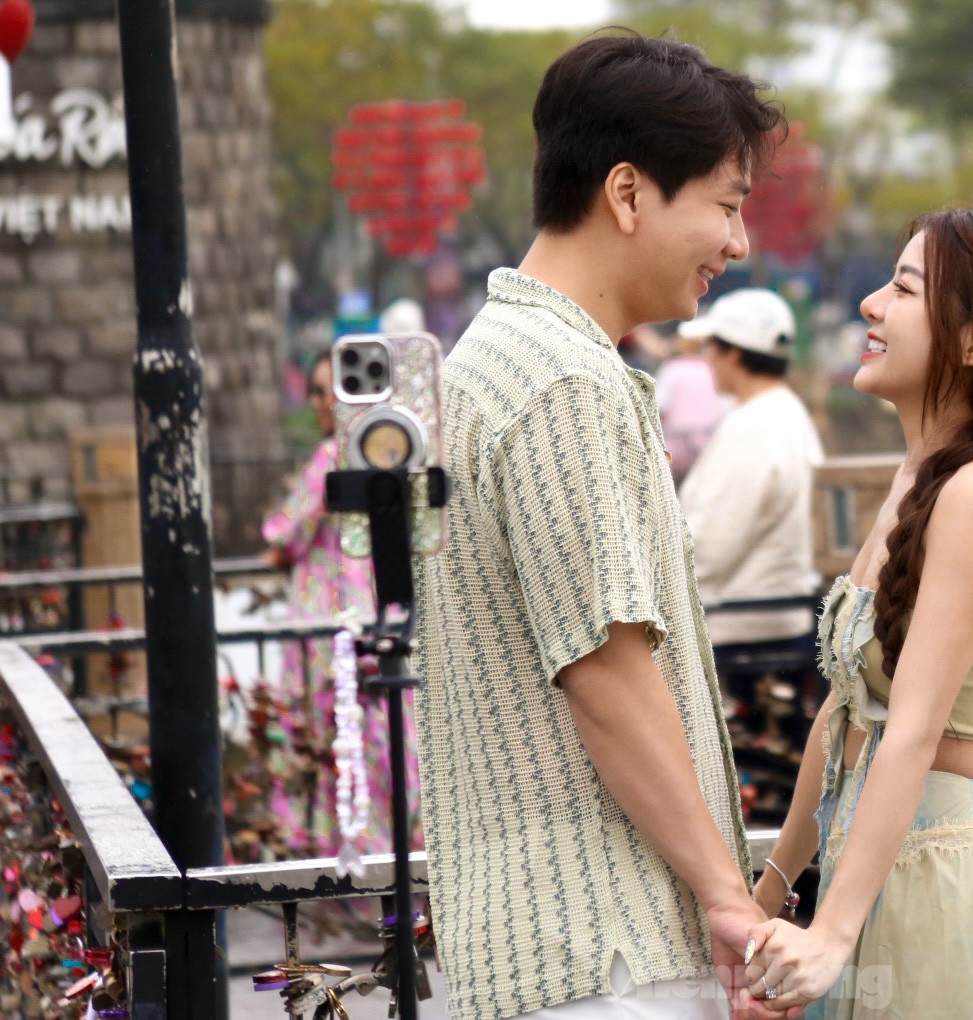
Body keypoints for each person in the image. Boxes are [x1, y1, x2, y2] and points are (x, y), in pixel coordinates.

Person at [412, 32, 788, 1019]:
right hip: (608, 954)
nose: (738, 244)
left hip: (532, 949)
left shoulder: (485, 364)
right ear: (627, 193)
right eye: (726, 204)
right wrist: (726, 897)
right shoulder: (565, 381)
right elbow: (606, 671)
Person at [741, 205, 973, 1019]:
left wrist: (831, 932)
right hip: (871, 876)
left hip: (934, 887)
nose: (870, 305)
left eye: (903, 287)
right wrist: (773, 894)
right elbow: (846, 718)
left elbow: (913, 729)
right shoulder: (923, 475)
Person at [261, 351, 421, 858]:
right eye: (313, 391)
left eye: (325, 391)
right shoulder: (390, 454)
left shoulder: (332, 457)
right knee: (380, 740)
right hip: (377, 613)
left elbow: (283, 534)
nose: (317, 403)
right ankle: (394, 853)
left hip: (327, 621)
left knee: (331, 743)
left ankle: (340, 856)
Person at [678, 289, 824, 742]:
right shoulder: (784, 413)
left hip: (744, 617)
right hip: (781, 610)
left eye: (711, 348)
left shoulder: (753, 427)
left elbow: (707, 550)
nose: (707, 360)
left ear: (734, 354)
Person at [656, 326, 729, 482]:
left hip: (674, 451)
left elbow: (659, 407)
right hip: (708, 449)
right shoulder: (714, 371)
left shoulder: (672, 369)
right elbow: (724, 410)